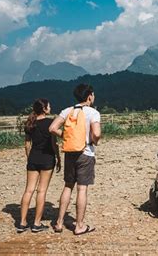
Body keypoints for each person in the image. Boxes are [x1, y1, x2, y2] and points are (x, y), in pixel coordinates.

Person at [49, 84, 101, 235]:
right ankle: (79, 226)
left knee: (68, 186)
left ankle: (59, 223)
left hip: (70, 152)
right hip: (86, 154)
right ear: (89, 96)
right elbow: (96, 133)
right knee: (82, 189)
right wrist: (94, 141)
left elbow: (52, 128)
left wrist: (66, 136)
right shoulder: (93, 113)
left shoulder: (67, 111)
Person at [18, 99, 61, 233]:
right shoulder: (50, 123)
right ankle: (36, 223)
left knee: (28, 190)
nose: (50, 107)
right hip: (47, 159)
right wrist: (58, 158)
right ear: (44, 109)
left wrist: (29, 158)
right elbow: (54, 144)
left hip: (33, 159)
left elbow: (27, 145)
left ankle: (22, 222)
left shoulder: (30, 123)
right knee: (41, 191)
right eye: (49, 105)